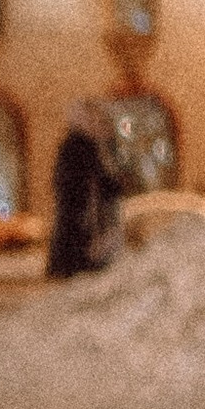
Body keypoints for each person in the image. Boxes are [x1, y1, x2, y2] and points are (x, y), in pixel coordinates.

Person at [47, 108, 123, 280]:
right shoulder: (81, 145)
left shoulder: (83, 144)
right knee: (79, 235)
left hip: (79, 202)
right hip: (82, 202)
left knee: (73, 233)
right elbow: (99, 176)